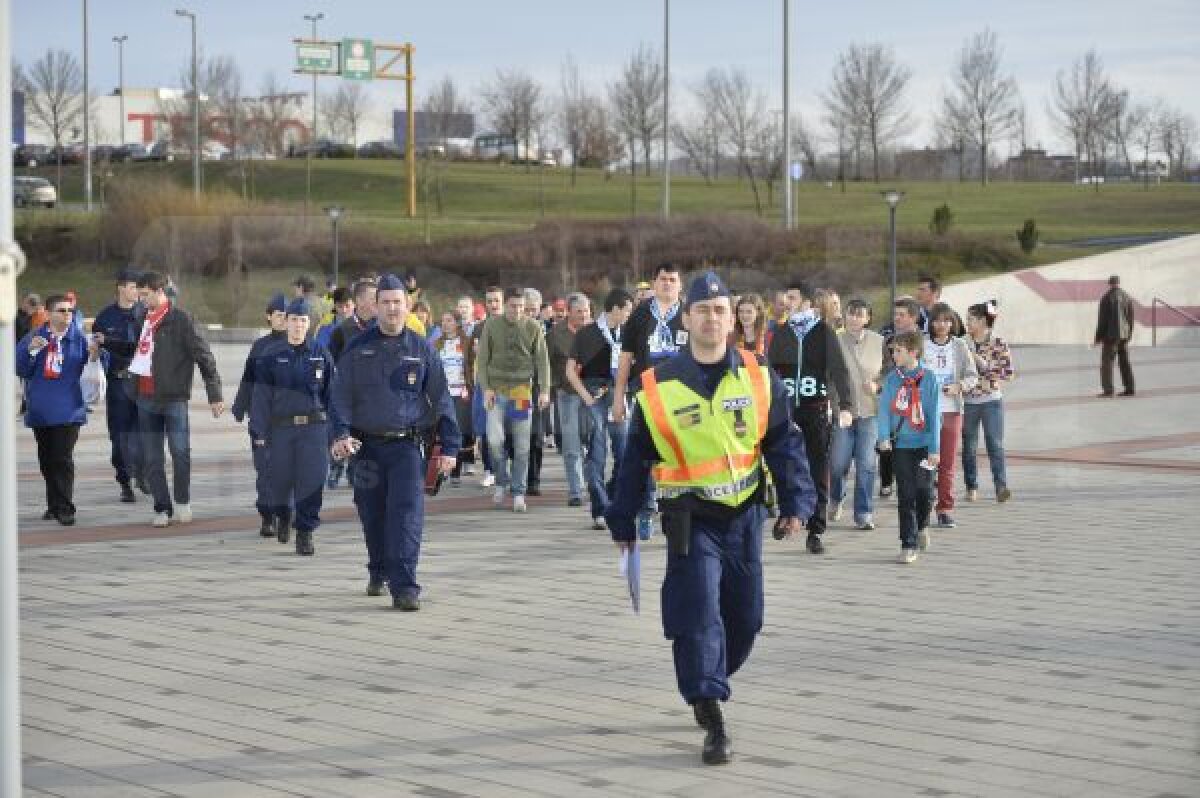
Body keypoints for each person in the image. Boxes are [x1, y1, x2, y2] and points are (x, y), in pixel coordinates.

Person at [604, 272, 815, 766]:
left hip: (744, 517)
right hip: (690, 517)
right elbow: (635, 459)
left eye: (720, 310)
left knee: (745, 619)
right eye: (703, 310)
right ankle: (711, 710)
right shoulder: (656, 386)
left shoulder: (759, 375)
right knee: (699, 610)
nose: (713, 319)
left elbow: (783, 443)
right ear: (686, 317)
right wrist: (622, 521)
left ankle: (709, 677)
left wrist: (797, 504)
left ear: (732, 317)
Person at [331, 274, 459, 610]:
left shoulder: (422, 350)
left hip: (406, 448)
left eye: (397, 302)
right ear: (375, 306)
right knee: (372, 515)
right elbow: (341, 396)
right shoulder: (357, 349)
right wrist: (341, 434)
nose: (391, 308)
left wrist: (450, 446)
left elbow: (441, 399)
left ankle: (405, 587)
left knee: (406, 515)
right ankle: (379, 569)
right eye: (385, 302)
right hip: (365, 449)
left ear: (407, 306)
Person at [129, 271, 224, 528]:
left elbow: (204, 356)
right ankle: (162, 506)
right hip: (144, 398)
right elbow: (135, 351)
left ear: (160, 291)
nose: (141, 299)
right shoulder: (140, 318)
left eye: (145, 295)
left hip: (174, 398)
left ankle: (182, 501)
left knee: (180, 453)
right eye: (140, 295)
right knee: (151, 457)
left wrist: (214, 394)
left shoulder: (182, 320)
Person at [766, 281, 854, 554]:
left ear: (807, 303)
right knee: (785, 464)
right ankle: (787, 514)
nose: (787, 302)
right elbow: (770, 372)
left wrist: (847, 405)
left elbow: (840, 370)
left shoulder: (824, 332)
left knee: (818, 468)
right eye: (785, 298)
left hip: (816, 409)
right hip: (786, 410)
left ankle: (815, 529)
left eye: (792, 298)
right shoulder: (781, 332)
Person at [250, 298, 335, 556]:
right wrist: (259, 432)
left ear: (309, 324)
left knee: (312, 480)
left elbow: (334, 395)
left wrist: (337, 432)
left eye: (303, 321)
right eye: (294, 320)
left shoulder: (321, 354)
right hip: (281, 430)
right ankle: (283, 514)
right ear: (285, 322)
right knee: (280, 481)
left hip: (314, 429)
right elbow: (260, 397)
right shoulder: (270, 356)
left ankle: (306, 531)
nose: (298, 325)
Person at [15, 293, 105, 526]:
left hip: (69, 409)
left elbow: (97, 369)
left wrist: (97, 355)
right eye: (61, 311)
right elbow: (20, 369)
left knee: (62, 459)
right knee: (46, 460)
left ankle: (65, 507)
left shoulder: (80, 340)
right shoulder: (34, 337)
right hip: (41, 409)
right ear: (48, 313)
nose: (67, 315)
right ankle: (53, 504)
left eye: (70, 311)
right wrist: (31, 351)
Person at [613, 262, 687, 539]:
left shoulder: (690, 314)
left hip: (683, 399)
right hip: (646, 396)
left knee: (678, 456)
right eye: (662, 279)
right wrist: (618, 398)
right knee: (644, 456)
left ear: (680, 285)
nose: (667, 283)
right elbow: (625, 359)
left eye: (672, 279)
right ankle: (645, 511)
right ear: (654, 284)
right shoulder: (640, 315)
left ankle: (675, 512)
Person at [476, 287, 551, 512]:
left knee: (521, 446)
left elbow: (542, 360)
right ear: (505, 305)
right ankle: (501, 480)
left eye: (521, 307)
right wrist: (486, 388)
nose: (517, 311)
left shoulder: (533, 326)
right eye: (513, 306)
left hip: (521, 392)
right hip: (496, 391)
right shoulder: (492, 325)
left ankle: (518, 491)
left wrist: (544, 389)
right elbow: (481, 360)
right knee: (495, 442)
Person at [566, 288, 634, 529]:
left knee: (624, 453)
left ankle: (611, 499)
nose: (629, 314)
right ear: (615, 309)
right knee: (596, 454)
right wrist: (585, 396)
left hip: (619, 395)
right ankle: (600, 509)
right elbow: (570, 370)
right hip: (594, 394)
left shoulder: (628, 333)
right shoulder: (587, 333)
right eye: (627, 310)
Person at [877, 330, 941, 564]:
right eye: (893, 350)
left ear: (913, 352)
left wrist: (935, 449)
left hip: (924, 445)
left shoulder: (930, 378)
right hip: (901, 445)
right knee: (906, 494)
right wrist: (883, 436)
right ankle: (908, 542)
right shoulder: (893, 379)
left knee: (924, 490)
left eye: (898, 351)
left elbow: (934, 416)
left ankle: (922, 524)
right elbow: (884, 409)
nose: (894, 354)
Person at [231, 293, 289, 537]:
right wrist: (240, 406)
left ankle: (286, 513)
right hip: (262, 421)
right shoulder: (260, 347)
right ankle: (267, 516)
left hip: (289, 421)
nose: (284, 321)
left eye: (288, 316)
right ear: (269, 317)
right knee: (264, 470)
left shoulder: (300, 345)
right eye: (279, 316)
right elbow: (248, 379)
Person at [830, 299, 885, 530]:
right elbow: (828, 375)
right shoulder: (834, 339)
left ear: (867, 318)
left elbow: (891, 372)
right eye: (850, 314)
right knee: (838, 464)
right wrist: (836, 406)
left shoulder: (879, 342)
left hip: (870, 412)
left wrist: (878, 385)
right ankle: (836, 496)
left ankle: (863, 513)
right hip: (844, 411)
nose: (854, 318)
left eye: (859, 314)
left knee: (866, 464)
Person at [91, 269, 145, 503]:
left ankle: (143, 473)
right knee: (120, 434)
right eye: (134, 286)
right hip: (119, 383)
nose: (138, 292)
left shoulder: (147, 313)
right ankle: (125, 480)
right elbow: (96, 352)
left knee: (147, 431)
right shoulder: (105, 317)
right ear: (121, 287)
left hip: (144, 382)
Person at [925, 303, 978, 529]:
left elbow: (972, 375)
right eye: (937, 320)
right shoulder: (922, 344)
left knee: (947, 463)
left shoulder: (959, 346)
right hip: (926, 411)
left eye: (946, 320)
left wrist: (959, 386)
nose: (942, 325)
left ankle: (945, 508)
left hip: (951, 410)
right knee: (926, 461)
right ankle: (924, 504)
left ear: (952, 323)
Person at [963, 301, 1014, 503]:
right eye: (966, 319)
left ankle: (1001, 487)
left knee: (995, 444)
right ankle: (971, 486)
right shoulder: (961, 342)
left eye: (971, 319)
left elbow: (1008, 373)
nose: (967, 323)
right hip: (967, 402)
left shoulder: (998, 342)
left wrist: (982, 364)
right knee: (969, 447)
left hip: (992, 400)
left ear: (983, 321)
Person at [876, 297, 922, 499]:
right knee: (887, 438)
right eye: (895, 314)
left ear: (913, 317)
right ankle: (886, 480)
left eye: (901, 315)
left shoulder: (923, 340)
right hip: (892, 394)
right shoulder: (889, 340)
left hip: (917, 397)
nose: (896, 318)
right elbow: (884, 366)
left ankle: (914, 483)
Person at [547, 292, 590, 506]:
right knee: (572, 445)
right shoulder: (555, 334)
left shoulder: (597, 332)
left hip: (593, 396)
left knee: (592, 443)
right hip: (567, 395)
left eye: (587, 311)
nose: (584, 315)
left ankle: (594, 486)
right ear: (569, 313)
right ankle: (575, 491)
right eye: (579, 311)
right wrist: (554, 388)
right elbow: (547, 364)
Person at [470, 286, 506, 488]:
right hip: (484, 385)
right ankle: (489, 470)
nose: (493, 304)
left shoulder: (512, 325)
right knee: (483, 430)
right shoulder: (479, 327)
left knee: (508, 429)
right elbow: (477, 354)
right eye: (489, 300)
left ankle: (505, 468)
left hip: (507, 385)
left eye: (496, 301)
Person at [436, 310, 475, 481]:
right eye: (443, 320)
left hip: (462, 391)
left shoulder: (467, 342)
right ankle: (445, 468)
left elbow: (472, 365)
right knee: (445, 428)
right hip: (443, 392)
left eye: (449, 320)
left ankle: (458, 468)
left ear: (457, 323)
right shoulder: (436, 344)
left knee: (460, 429)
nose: (445, 324)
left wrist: (470, 385)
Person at [522, 287, 550, 491]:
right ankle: (519, 477)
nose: (531, 314)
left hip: (538, 389)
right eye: (527, 310)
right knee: (519, 433)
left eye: (534, 310)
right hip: (517, 389)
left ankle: (534, 479)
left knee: (537, 435)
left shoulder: (547, 331)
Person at [1095, 275, 1136, 397]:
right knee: (1125, 362)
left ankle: (1108, 390)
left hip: (1110, 336)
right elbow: (1131, 318)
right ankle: (1130, 388)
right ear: (1119, 283)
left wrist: (1098, 337)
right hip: (1124, 335)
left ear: (1110, 283)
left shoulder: (1106, 297)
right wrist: (1129, 334)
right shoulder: (1127, 297)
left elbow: (1102, 320)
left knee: (1107, 363)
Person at [329, 278, 377, 362]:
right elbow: (331, 366)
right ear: (359, 301)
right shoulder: (341, 331)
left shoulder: (384, 327)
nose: (377, 301)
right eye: (373, 298)